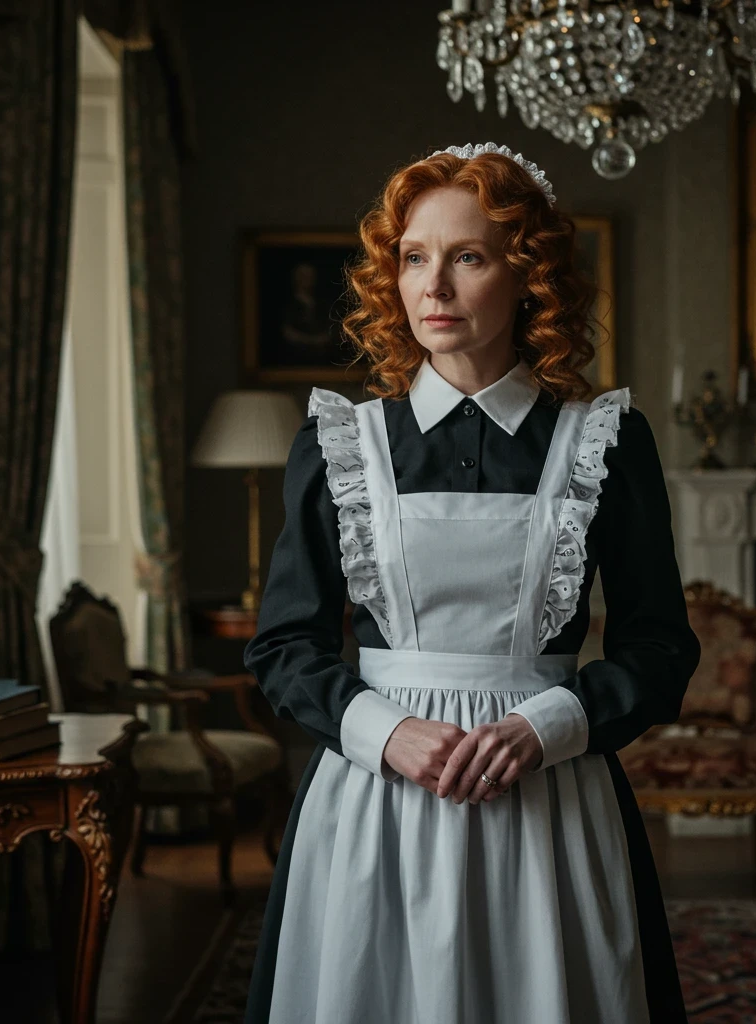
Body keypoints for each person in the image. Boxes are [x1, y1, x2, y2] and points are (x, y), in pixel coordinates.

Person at [242, 141, 701, 1024]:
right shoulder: (340, 443)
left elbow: (661, 645)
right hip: (375, 802)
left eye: (468, 256)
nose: (433, 287)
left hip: (551, 805)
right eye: (414, 258)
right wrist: (387, 735)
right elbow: (284, 647)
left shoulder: (605, 440)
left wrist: (552, 725)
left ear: (528, 275)